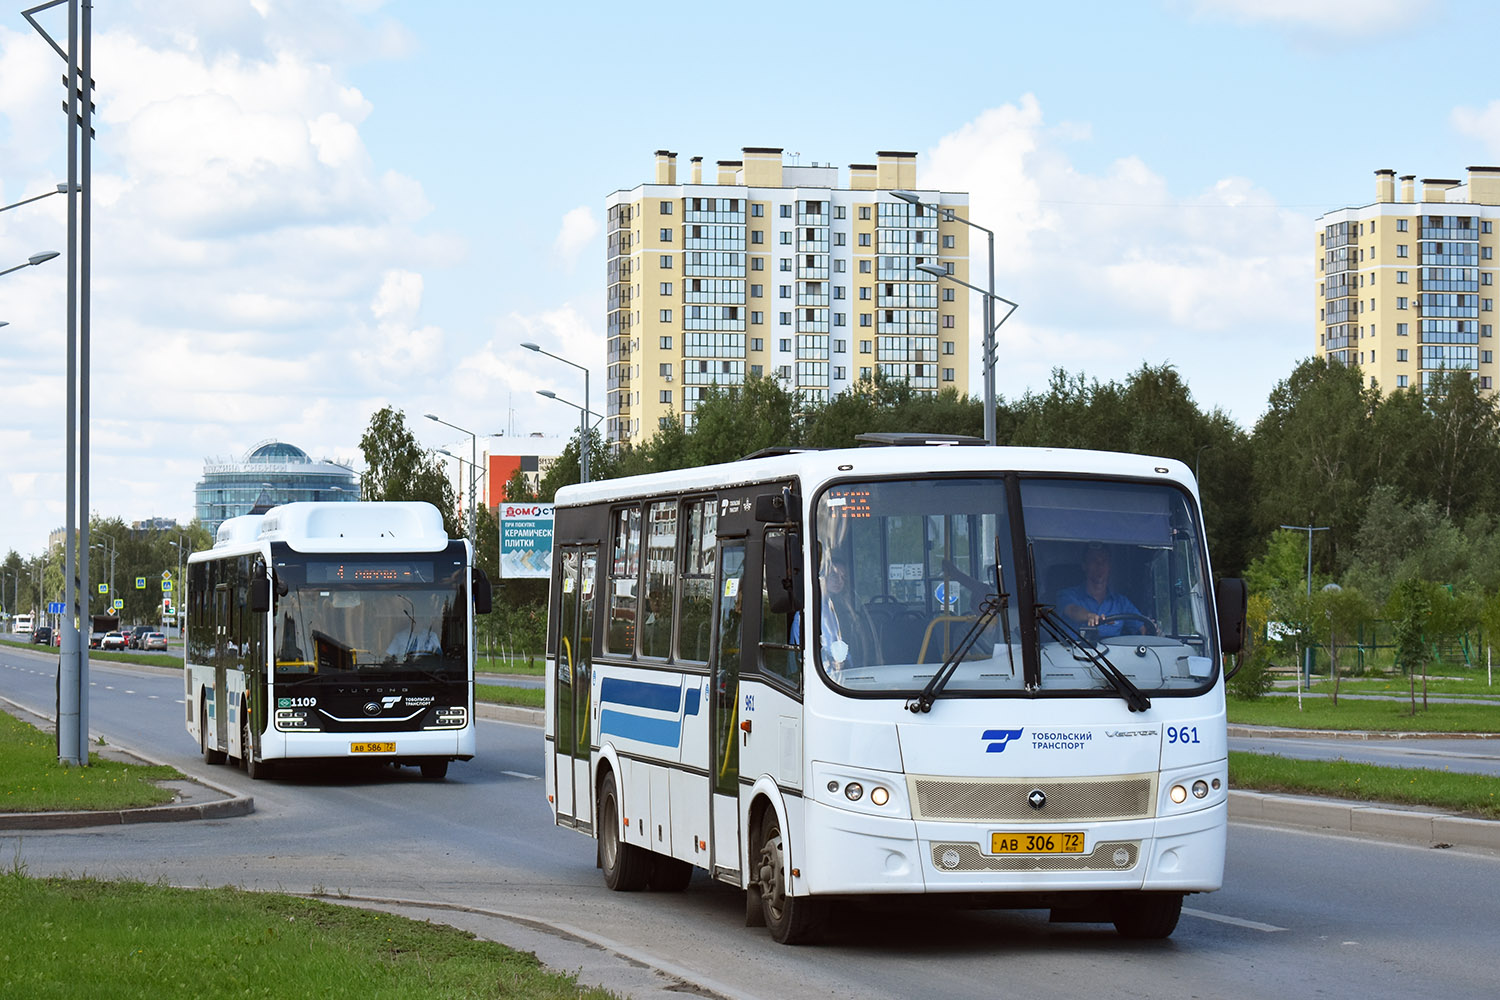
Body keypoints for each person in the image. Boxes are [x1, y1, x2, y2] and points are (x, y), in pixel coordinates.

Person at [1056, 543, 1153, 638]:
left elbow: (1142, 628)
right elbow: (1073, 610)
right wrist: (1088, 616)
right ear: (1084, 565)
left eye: (1104, 561)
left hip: (1114, 654)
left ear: (1109, 566)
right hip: (1074, 653)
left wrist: (1151, 629)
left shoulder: (1121, 602)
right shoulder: (1067, 595)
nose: (1100, 565)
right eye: (1094, 560)